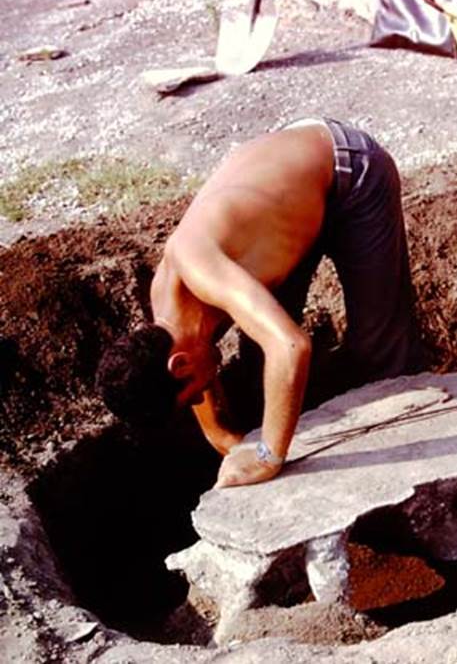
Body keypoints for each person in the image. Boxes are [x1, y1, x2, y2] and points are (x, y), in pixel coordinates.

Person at [96, 118, 423, 488]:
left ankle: (409, 476)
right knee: (259, 373)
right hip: (283, 213)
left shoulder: (201, 267)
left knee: (380, 352)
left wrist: (268, 457)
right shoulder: (168, 314)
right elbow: (204, 393)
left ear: (180, 365)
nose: (198, 400)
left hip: (347, 170)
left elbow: (292, 345)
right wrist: (225, 439)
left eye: (190, 399)